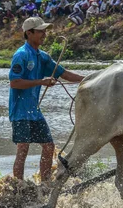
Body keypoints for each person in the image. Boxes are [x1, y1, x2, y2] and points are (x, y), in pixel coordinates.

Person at [9, 17, 84, 183]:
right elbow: (14, 82)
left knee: (49, 147)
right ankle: (18, 187)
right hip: (20, 111)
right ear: (29, 33)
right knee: (23, 149)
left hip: (34, 112)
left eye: (45, 30)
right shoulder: (21, 55)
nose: (44, 34)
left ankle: (45, 183)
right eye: (40, 31)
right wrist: (41, 82)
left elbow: (64, 74)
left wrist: (88, 79)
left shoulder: (42, 57)